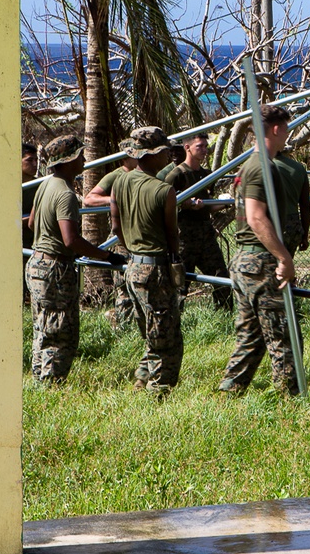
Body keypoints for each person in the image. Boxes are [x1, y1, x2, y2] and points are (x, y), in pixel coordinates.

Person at [25, 135, 125, 382]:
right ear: (68, 160)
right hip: (55, 269)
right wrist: (106, 255)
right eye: (80, 155)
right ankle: (51, 383)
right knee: (60, 331)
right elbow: (71, 240)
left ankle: (40, 376)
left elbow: (31, 223)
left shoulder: (45, 185)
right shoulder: (65, 195)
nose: (83, 160)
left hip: (37, 264)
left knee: (43, 326)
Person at [219, 105, 300, 397]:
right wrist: (283, 257)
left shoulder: (257, 165)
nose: (287, 135)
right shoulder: (260, 167)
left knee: (251, 336)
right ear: (276, 129)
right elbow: (255, 216)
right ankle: (291, 400)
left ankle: (230, 392)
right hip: (260, 261)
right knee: (284, 336)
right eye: (286, 128)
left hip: (247, 260)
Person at [110, 127, 182, 393]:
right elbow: (172, 235)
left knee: (149, 330)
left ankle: (142, 379)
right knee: (167, 337)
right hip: (156, 269)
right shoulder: (164, 190)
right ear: (153, 155)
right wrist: (175, 262)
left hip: (132, 266)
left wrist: (131, 247)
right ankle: (159, 391)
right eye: (165, 151)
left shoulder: (120, 182)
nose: (168, 156)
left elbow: (116, 227)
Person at [164, 132, 232, 310]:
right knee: (180, 285)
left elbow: (207, 206)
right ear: (187, 148)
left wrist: (224, 204)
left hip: (206, 237)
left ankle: (224, 316)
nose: (204, 150)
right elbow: (163, 206)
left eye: (205, 146)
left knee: (222, 279)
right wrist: (184, 205)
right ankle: (175, 320)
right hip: (184, 239)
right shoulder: (176, 175)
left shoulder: (206, 175)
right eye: (199, 147)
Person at [83, 138, 137, 325]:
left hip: (141, 237)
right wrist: (115, 200)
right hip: (121, 238)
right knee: (123, 286)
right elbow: (89, 199)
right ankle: (122, 326)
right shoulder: (116, 175)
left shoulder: (146, 173)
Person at [275, 148, 310, 256]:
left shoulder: (261, 166)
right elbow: (305, 205)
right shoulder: (298, 168)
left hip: (272, 224)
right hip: (293, 225)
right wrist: (304, 235)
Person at [22, 143, 38, 303]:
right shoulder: (8, 186)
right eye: (29, 160)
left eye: (36, 160)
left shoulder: (39, 185)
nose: (34, 164)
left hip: (33, 244)